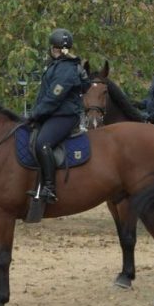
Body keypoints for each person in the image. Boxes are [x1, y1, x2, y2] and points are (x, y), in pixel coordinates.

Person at [26, 28, 88, 203]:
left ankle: (49, 188)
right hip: (54, 114)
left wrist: (35, 114)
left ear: (55, 48)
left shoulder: (66, 68)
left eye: (54, 47)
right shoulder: (58, 65)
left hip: (65, 116)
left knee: (43, 143)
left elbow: (54, 97)